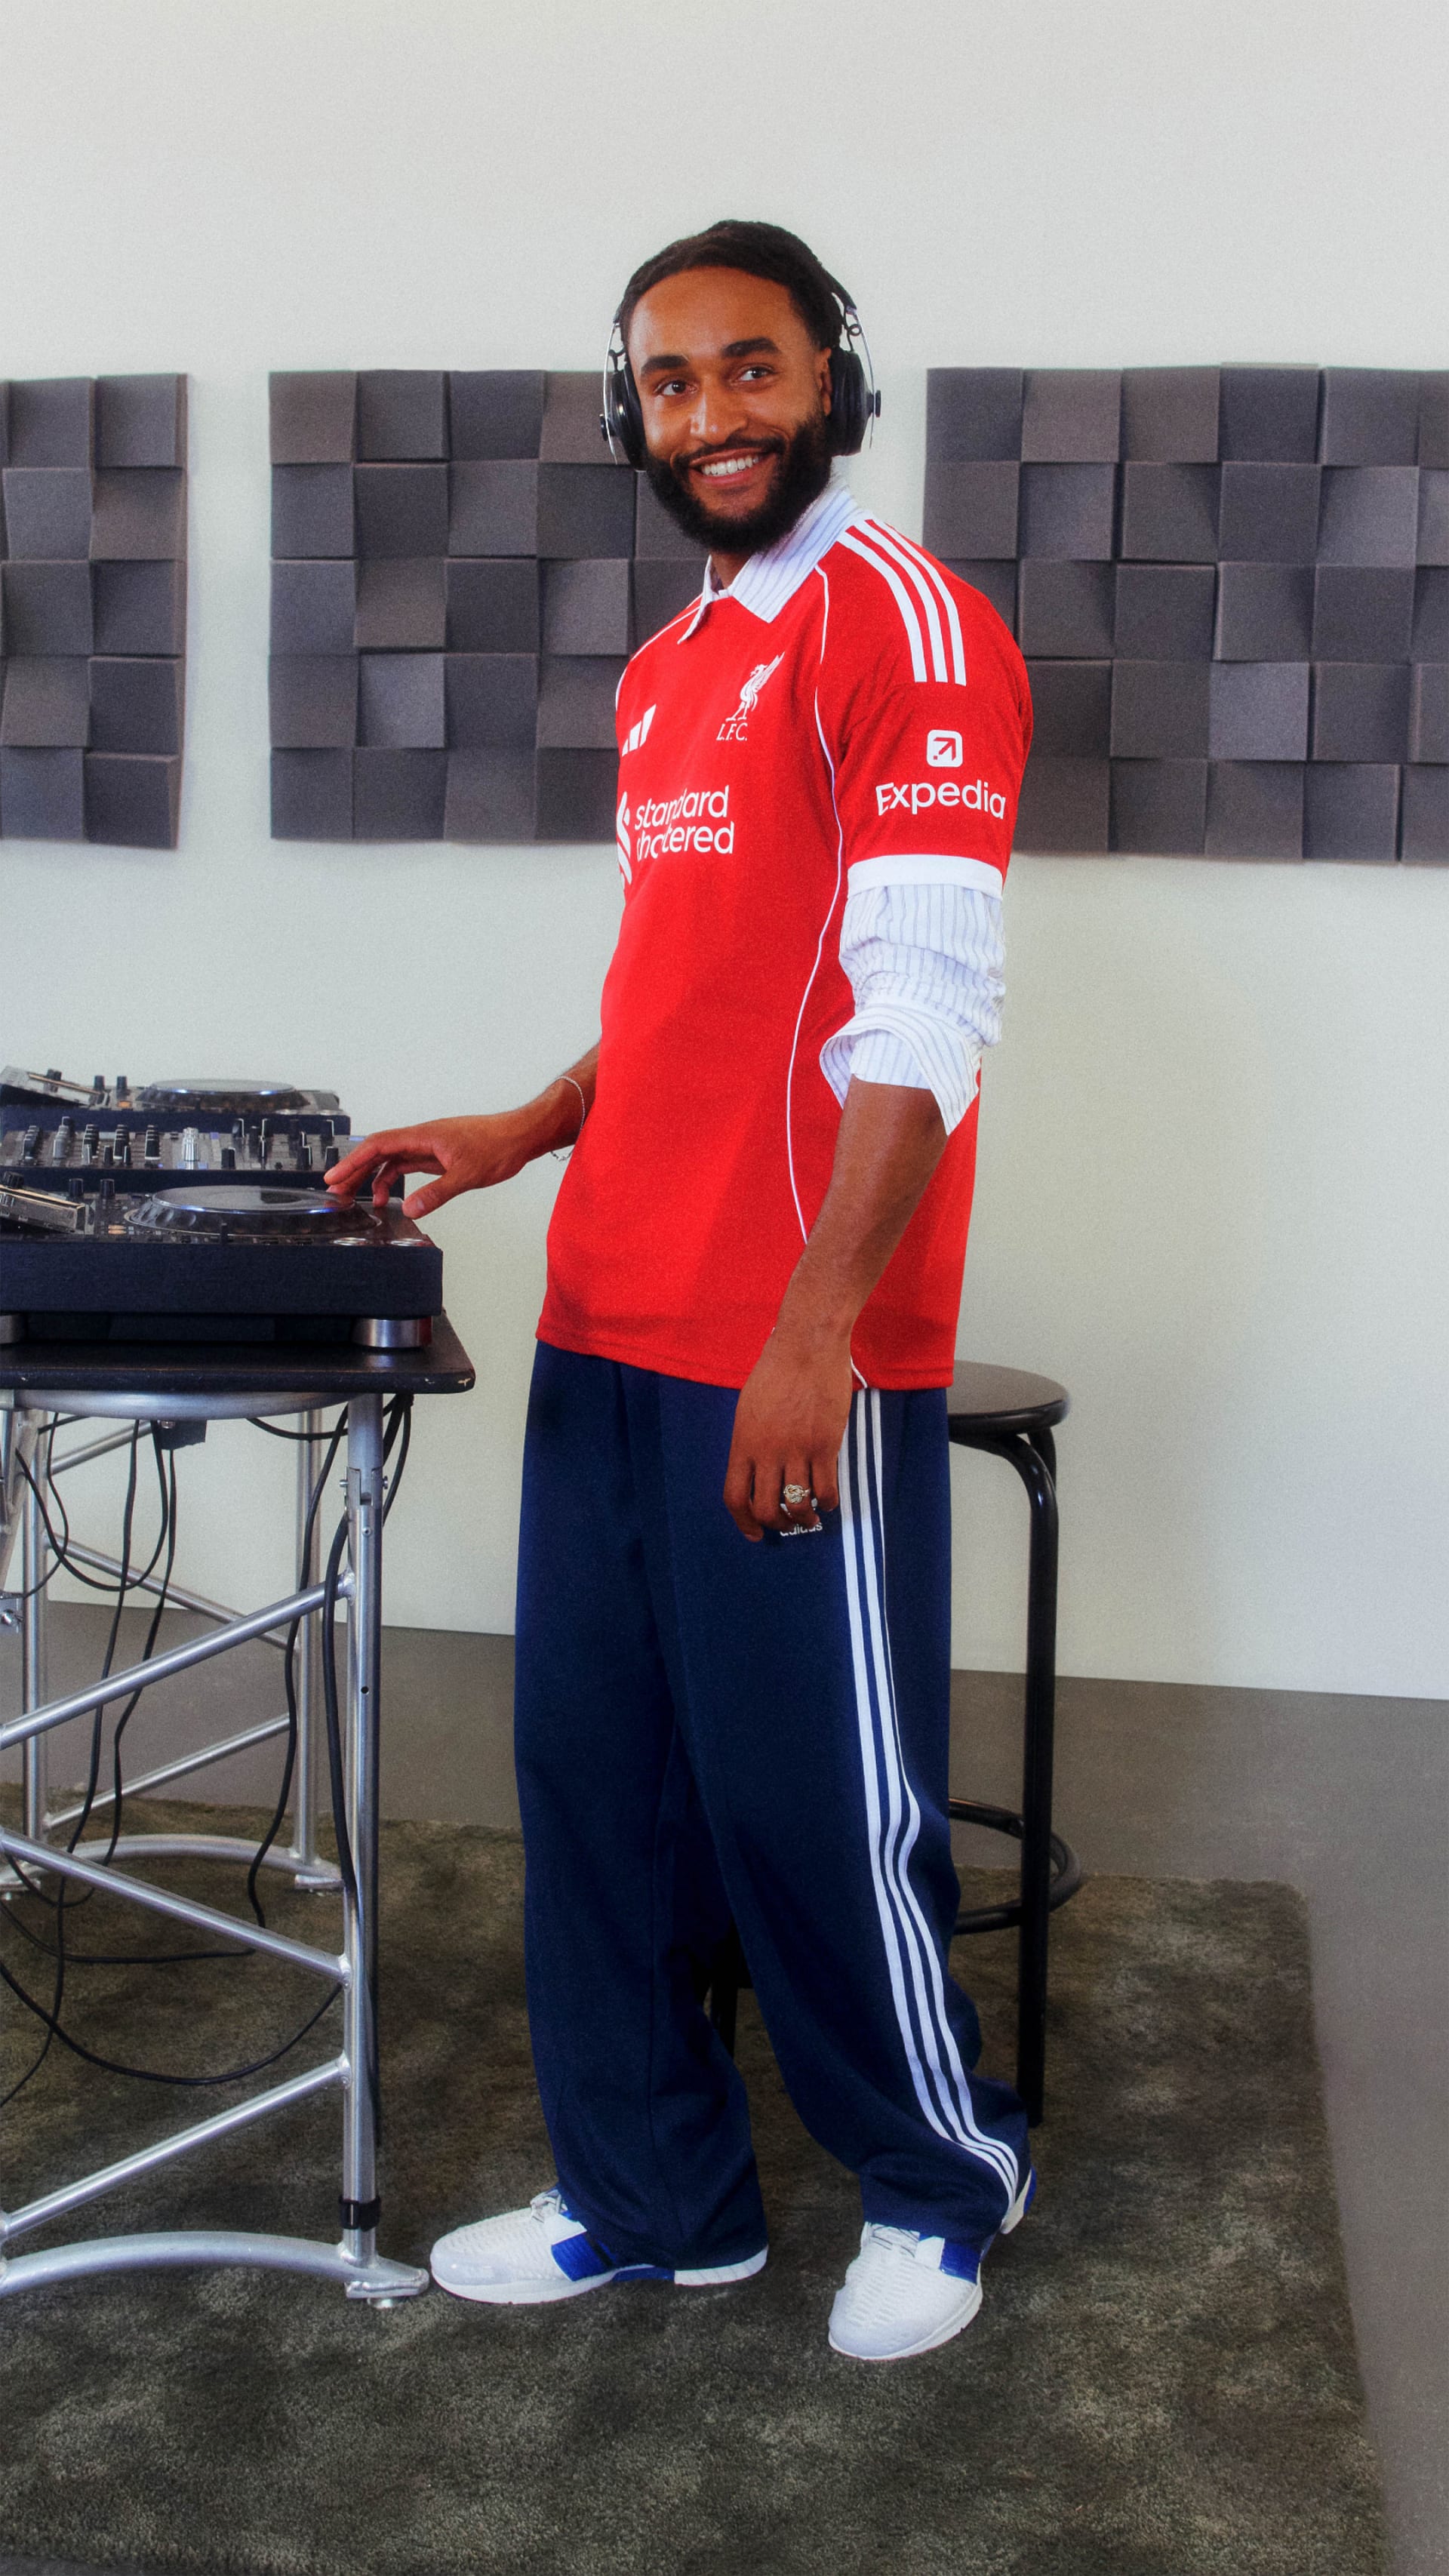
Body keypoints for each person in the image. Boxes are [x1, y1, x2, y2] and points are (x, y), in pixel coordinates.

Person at [327, 220, 1035, 2362]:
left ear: (831, 373)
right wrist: (527, 1127)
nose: (708, 413)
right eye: (665, 381)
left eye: (749, 368)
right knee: (599, 1786)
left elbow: (922, 1016)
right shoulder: (671, 668)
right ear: (628, 407)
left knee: (819, 1797)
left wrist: (817, 1333)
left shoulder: (905, 628)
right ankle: (658, 2200)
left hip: (786, 1339)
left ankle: (937, 2177)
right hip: (608, 1311)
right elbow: (687, 986)